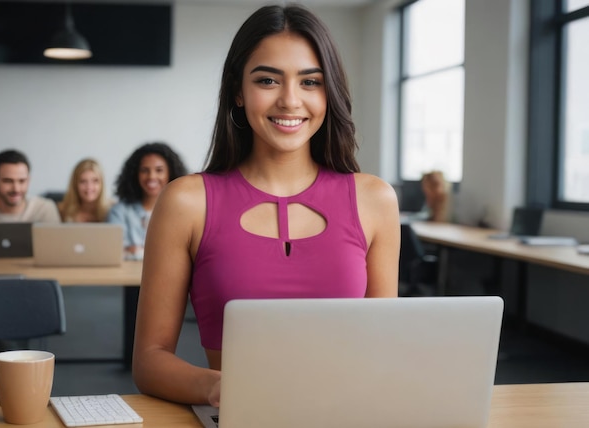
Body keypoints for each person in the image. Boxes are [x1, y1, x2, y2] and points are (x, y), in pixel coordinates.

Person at [131, 4, 400, 406]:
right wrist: (217, 387)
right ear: (238, 91)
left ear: (330, 94)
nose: (290, 101)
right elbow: (149, 361)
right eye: (268, 80)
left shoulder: (374, 199)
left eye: (310, 82)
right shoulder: (186, 202)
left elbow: (386, 348)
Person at [0, 149, 60, 257]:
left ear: (28, 180)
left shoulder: (44, 208)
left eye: (22, 181)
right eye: (8, 181)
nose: (16, 189)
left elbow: (54, 251)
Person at [107, 142, 187, 259]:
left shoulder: (183, 212)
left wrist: (136, 251)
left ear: (170, 173)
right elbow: (114, 254)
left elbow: (184, 255)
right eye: (145, 170)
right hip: (128, 277)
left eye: (159, 170)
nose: (151, 177)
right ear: (135, 174)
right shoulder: (119, 212)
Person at [58, 158, 111, 223]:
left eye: (95, 181)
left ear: (102, 184)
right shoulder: (61, 211)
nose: (89, 187)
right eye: (83, 181)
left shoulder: (112, 210)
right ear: (75, 184)